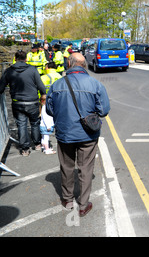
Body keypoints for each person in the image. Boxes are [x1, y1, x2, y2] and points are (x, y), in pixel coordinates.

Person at [46, 52, 110, 216]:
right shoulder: (95, 84)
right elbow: (104, 110)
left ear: (69, 64)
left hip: (65, 133)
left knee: (67, 166)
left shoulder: (57, 85)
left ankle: (67, 200)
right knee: (86, 168)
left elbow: (49, 109)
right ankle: (83, 205)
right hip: (87, 135)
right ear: (84, 65)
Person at [0, 50, 47, 156]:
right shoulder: (32, 69)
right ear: (26, 59)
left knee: (22, 124)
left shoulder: (9, 71)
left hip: (18, 102)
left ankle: (25, 149)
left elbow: (1, 87)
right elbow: (40, 85)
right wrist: (43, 94)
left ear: (15, 58)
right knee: (35, 123)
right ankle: (37, 144)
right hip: (32, 101)